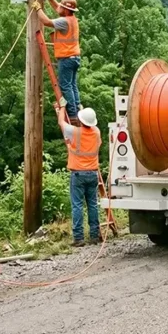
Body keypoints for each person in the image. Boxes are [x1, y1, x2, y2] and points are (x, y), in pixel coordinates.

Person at [54, 101, 100, 246]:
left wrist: (61, 107)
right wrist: (81, 109)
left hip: (78, 175)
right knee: (92, 205)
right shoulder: (97, 132)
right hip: (93, 174)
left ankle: (79, 238)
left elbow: (61, 122)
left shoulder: (74, 132)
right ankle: (94, 235)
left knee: (77, 206)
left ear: (80, 120)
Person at [34, 0, 81, 123]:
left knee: (66, 85)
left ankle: (72, 113)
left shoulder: (64, 21)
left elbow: (47, 22)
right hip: (74, 57)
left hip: (66, 58)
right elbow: (58, 8)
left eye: (62, 6)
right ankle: (77, 108)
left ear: (66, 10)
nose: (59, 7)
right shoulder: (71, 19)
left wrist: (38, 9)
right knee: (72, 85)